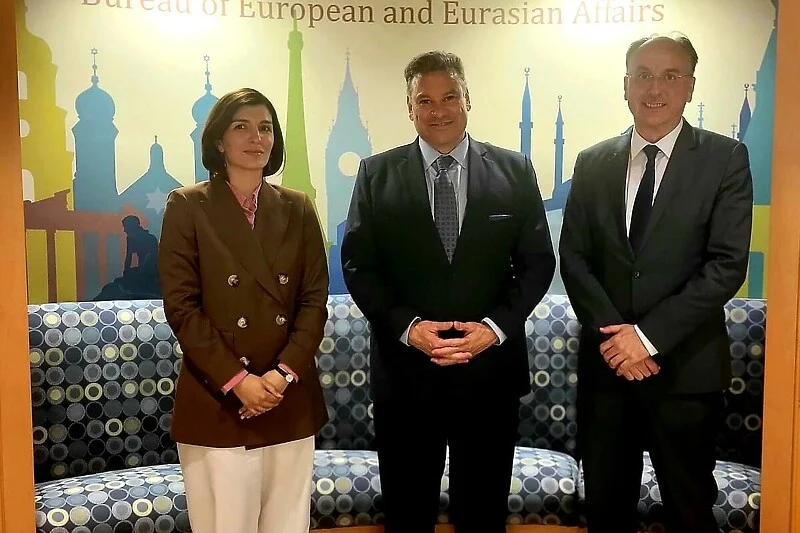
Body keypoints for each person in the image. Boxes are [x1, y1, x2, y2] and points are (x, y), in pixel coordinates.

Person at [340, 51, 555, 533]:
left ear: (467, 100)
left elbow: (538, 262)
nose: (438, 110)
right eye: (425, 100)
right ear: (410, 108)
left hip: (489, 374)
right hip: (407, 375)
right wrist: (408, 328)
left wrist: (494, 328)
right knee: (408, 514)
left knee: (482, 516)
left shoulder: (515, 170)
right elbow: (358, 265)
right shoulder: (376, 174)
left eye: (449, 97)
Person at [559, 33, 753, 533]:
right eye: (643, 75)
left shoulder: (725, 158)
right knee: (606, 511)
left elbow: (726, 264)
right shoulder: (592, 161)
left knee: (689, 511)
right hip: (608, 371)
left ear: (690, 86)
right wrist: (618, 340)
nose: (655, 88)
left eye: (670, 76)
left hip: (686, 371)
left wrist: (645, 338)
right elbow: (574, 258)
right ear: (625, 85)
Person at [158, 88, 329, 533]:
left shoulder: (297, 206)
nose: (257, 138)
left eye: (266, 128)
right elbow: (182, 308)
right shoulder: (187, 205)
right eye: (242, 127)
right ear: (219, 140)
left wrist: (281, 375)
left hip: (287, 395)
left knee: (287, 524)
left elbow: (313, 301)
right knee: (226, 524)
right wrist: (240, 382)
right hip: (219, 397)